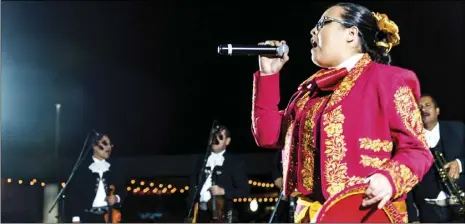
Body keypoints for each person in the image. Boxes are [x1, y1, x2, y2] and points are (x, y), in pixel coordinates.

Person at [250, 2, 433, 223]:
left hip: (365, 214)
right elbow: (268, 136)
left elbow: (417, 150)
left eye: (322, 23)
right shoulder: (308, 91)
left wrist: (389, 179)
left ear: (351, 34)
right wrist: (268, 76)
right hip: (309, 216)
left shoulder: (388, 80)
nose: (313, 31)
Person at [406, 94, 465, 222]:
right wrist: (412, 217)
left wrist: (459, 164)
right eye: (419, 108)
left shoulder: (458, 129)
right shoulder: (410, 139)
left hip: (460, 207)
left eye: (427, 105)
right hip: (428, 211)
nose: (423, 110)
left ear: (437, 111)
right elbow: (406, 177)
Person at [187, 124, 250, 223]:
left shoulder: (235, 163)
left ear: (227, 141)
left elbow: (245, 191)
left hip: (223, 216)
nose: (215, 139)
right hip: (201, 215)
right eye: (213, 136)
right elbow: (192, 184)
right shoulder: (201, 160)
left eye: (220, 137)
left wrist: (224, 191)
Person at [64, 134, 126, 223]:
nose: (109, 147)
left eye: (110, 145)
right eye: (105, 143)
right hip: (87, 218)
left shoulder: (114, 168)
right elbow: (74, 195)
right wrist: (75, 218)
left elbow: (123, 190)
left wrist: (116, 198)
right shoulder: (82, 168)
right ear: (94, 146)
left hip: (108, 217)